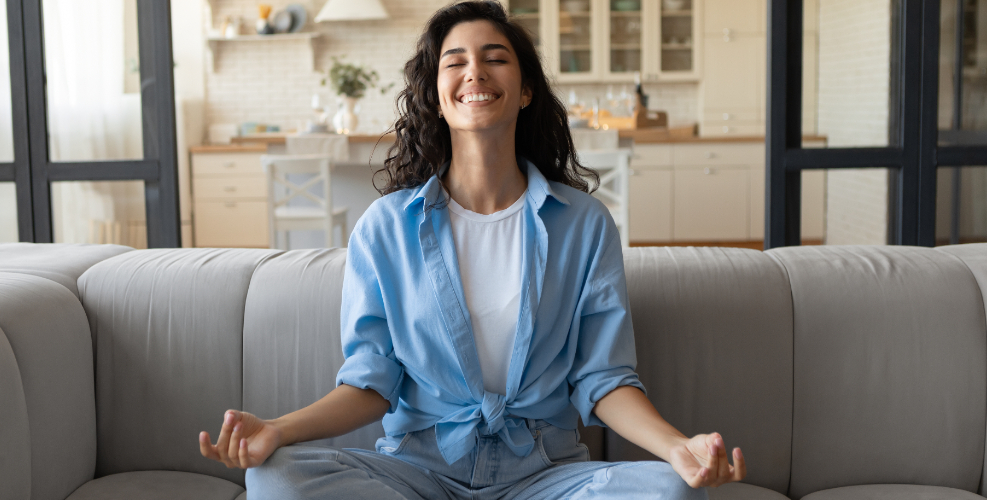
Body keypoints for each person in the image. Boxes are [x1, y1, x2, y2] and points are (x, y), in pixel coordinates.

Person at [199, 2, 745, 497]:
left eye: (495, 57)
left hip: (545, 475)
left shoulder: (585, 224)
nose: (474, 72)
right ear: (437, 95)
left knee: (670, 491)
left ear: (526, 88)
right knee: (274, 477)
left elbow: (603, 379)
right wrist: (277, 430)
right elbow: (371, 379)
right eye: (454, 61)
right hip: (418, 473)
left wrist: (677, 446)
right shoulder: (385, 228)